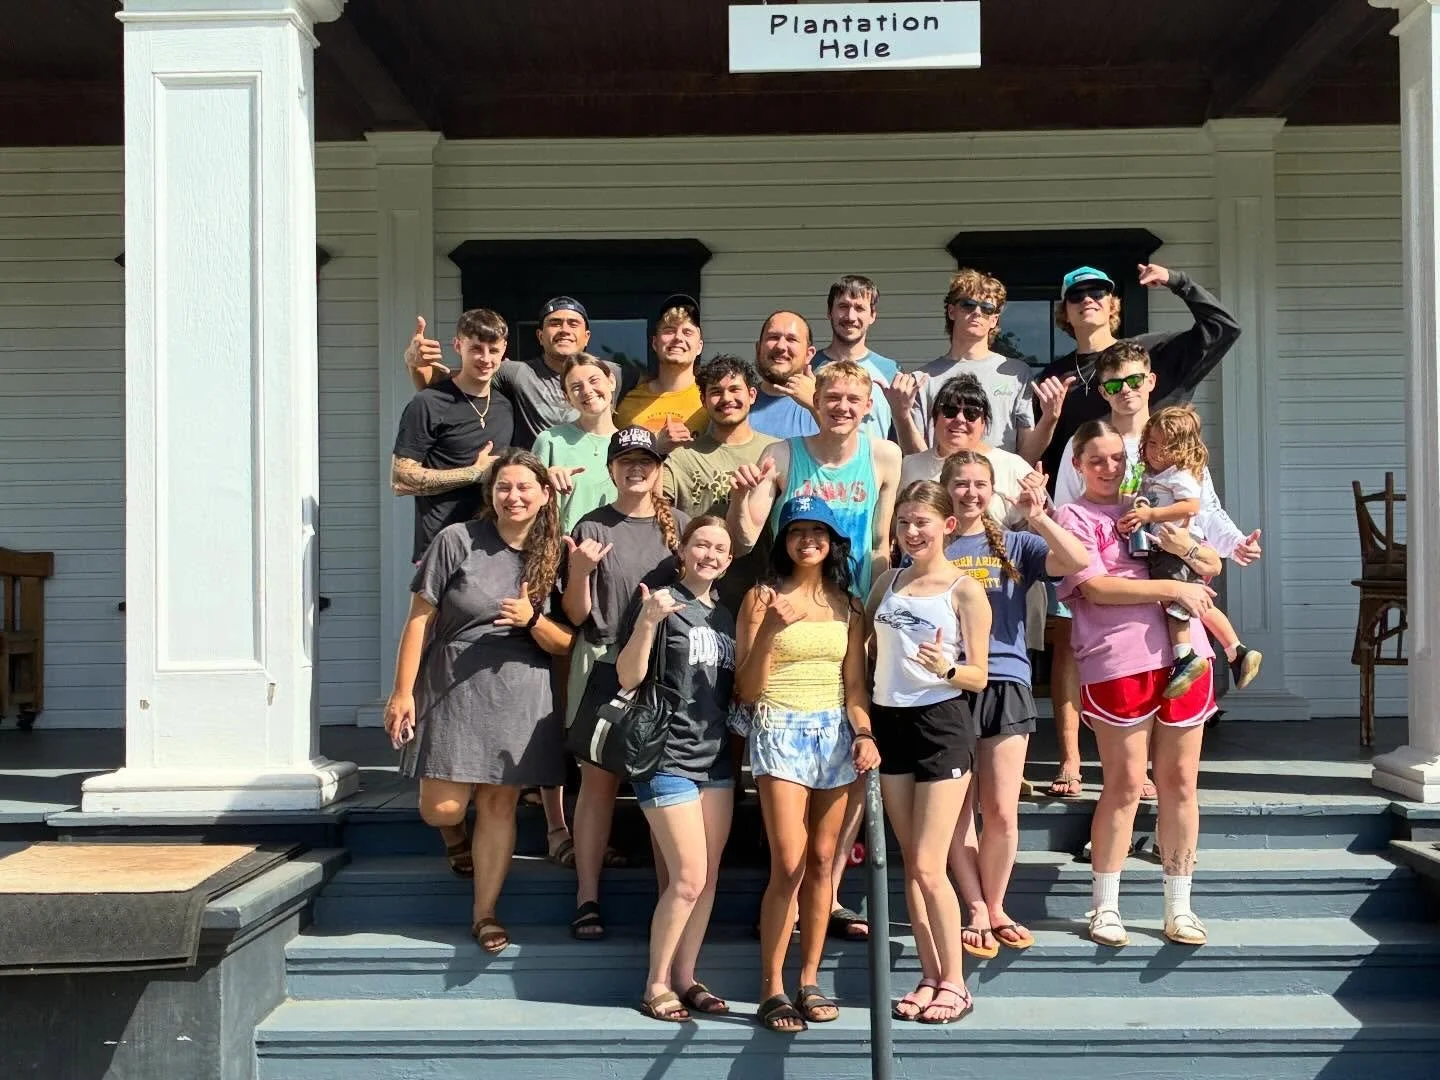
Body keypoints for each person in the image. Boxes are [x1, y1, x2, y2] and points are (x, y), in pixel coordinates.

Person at [1048, 340, 1262, 798]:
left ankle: (1143, 781)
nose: (1124, 390)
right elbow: (1068, 507)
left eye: (1133, 380)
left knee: (1171, 661)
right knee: (1084, 660)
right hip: (1105, 578)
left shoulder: (1173, 437)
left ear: (1150, 382)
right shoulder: (1088, 440)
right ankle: (1076, 761)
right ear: (1102, 390)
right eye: (1113, 383)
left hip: (1164, 565)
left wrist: (1233, 543)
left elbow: (1205, 507)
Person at [383, 449, 573, 955]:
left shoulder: (556, 552)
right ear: (490, 495)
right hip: (452, 680)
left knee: (498, 803)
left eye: (524, 487)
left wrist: (533, 618)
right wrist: (402, 691)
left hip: (520, 686)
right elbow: (419, 619)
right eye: (503, 487)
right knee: (442, 810)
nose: (514, 496)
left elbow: (566, 644)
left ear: (544, 494)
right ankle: (455, 840)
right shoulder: (456, 540)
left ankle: (484, 912)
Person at [1055, 420, 1223, 949]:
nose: (1109, 468)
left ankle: (1179, 904)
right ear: (1078, 464)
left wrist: (1187, 551)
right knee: (1125, 786)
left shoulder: (1153, 499)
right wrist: (1174, 583)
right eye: (1097, 459)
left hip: (1186, 657)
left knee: (1180, 785)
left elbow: (1212, 560)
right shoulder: (1074, 516)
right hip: (1118, 660)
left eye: (1116, 459)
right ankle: (1105, 904)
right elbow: (1098, 588)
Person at [735, 496, 880, 1033]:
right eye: (798, 530)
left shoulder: (850, 603)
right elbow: (746, 691)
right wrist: (772, 628)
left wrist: (864, 732)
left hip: (836, 734)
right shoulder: (761, 597)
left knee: (824, 863)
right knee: (790, 864)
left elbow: (856, 686)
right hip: (779, 727)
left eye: (818, 530)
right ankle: (771, 987)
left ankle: (809, 978)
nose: (808, 540)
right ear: (784, 540)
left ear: (833, 540)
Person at [940, 452, 1088, 960]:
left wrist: (1040, 514)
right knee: (957, 812)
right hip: (945, 688)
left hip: (1005, 680)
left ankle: (997, 904)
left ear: (993, 489)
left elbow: (1077, 562)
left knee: (1000, 809)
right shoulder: (931, 544)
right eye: (961, 484)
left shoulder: (1017, 544)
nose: (971, 493)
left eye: (980, 484)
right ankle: (975, 905)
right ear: (947, 489)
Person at [867, 482, 990, 1026]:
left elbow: (979, 676)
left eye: (921, 522)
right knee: (910, 865)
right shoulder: (887, 582)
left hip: (941, 723)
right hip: (889, 722)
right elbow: (864, 648)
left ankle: (956, 982)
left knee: (926, 863)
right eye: (903, 523)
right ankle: (927, 974)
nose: (912, 532)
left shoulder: (965, 590)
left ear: (946, 525)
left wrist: (944, 668)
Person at [563, 426, 689, 941]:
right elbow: (575, 613)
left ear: (659, 468)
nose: (636, 468)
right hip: (605, 662)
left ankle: (671, 897)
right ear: (611, 469)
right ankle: (586, 895)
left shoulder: (678, 525)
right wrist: (577, 571)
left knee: (663, 783)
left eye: (646, 460)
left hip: (666, 672)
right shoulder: (592, 525)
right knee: (598, 784)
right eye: (626, 461)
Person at [615, 517, 738, 1023]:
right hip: (665, 755)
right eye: (701, 544)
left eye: (720, 549)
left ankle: (687, 977)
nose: (710, 554)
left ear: (730, 561)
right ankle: (656, 983)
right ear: (683, 550)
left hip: (717, 760)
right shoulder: (660, 604)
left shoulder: (728, 615)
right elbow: (627, 677)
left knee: (705, 880)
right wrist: (646, 622)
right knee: (687, 877)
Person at [1035, 263, 1242, 491]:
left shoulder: (1149, 353)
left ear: (1111, 304)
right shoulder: (1053, 377)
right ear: (1065, 312)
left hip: (1164, 501)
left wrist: (1177, 281)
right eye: (1076, 295)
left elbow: (1224, 328)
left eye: (1097, 293)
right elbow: (1047, 455)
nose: (1087, 299)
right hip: (1091, 510)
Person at [729, 358, 901, 601]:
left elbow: (879, 546)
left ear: (868, 406)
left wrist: (873, 614)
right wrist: (739, 499)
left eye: (853, 399)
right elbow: (743, 542)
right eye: (832, 397)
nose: (842, 407)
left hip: (853, 610)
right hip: (790, 607)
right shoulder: (781, 455)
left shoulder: (884, 456)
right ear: (816, 400)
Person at [1121, 404, 1261, 699]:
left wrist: (1151, 516)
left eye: (1166, 446)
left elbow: (1195, 507)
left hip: (1173, 549)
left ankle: (1185, 656)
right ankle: (1237, 650)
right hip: (1169, 547)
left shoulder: (1180, 474)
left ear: (1183, 450)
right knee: (1201, 605)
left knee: (1176, 600)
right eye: (1152, 444)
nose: (1157, 452)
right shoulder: (1150, 472)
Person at [406, 296, 627, 450]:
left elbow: (657, 386)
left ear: (587, 336)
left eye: (573, 323)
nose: (564, 330)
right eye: (555, 323)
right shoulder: (516, 373)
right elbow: (439, 382)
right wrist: (416, 364)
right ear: (540, 336)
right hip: (532, 491)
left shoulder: (612, 374)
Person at [892, 268, 1066, 462]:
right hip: (940, 487)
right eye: (968, 305)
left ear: (994, 319)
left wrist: (1051, 416)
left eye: (987, 308)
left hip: (1000, 487)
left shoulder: (1016, 373)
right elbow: (916, 459)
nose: (977, 312)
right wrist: (900, 415)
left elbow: (1026, 453)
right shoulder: (922, 378)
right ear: (952, 311)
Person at [391, 308, 516, 561]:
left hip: (495, 548)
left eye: (493, 350)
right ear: (458, 346)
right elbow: (400, 480)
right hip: (441, 548)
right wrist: (473, 473)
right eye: (476, 349)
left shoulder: (505, 404)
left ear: (504, 350)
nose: (485, 358)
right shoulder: (429, 402)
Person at [663, 354, 779, 614]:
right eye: (716, 392)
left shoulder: (776, 452)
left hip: (760, 595)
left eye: (735, 389)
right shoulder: (682, 457)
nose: (727, 399)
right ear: (703, 400)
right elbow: (649, 507)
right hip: (696, 600)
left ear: (752, 395)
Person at [899, 375, 1032, 500]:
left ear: (984, 423)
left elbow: (1044, 519)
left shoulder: (1013, 467)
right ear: (934, 418)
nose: (960, 419)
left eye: (971, 413)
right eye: (950, 410)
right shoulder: (910, 467)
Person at [533, 353, 620, 534]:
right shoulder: (550, 441)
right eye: (576, 387)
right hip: (562, 553)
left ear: (611, 381)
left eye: (594, 380)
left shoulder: (629, 445)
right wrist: (544, 479)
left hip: (617, 553)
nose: (587, 390)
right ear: (567, 398)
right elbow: (527, 501)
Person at [615, 294, 708, 449]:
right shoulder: (626, 403)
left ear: (699, 346)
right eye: (669, 330)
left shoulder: (711, 401)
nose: (678, 337)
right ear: (655, 343)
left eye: (687, 332)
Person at [811, 275, 896, 439]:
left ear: (872, 315)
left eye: (859, 308)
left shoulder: (890, 371)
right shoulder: (809, 367)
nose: (850, 317)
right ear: (829, 312)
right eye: (843, 306)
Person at [747, 311, 824, 440]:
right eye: (773, 337)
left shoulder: (830, 404)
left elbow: (846, 451)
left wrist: (815, 406)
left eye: (791, 339)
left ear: (809, 354)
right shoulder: (738, 402)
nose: (781, 346)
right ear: (758, 348)